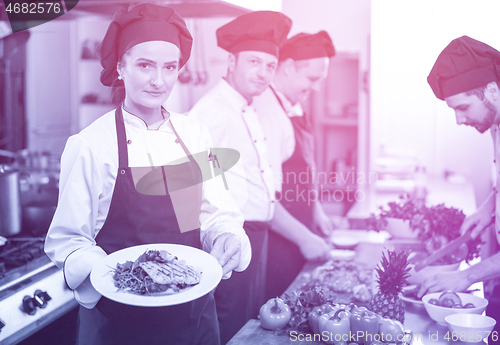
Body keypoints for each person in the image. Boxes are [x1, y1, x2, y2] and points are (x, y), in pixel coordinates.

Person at [44, 4, 250, 345]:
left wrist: (225, 235)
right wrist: (114, 273)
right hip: (118, 322)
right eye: (144, 65)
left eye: (169, 67)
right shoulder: (91, 145)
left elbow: (215, 213)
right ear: (120, 67)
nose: (159, 81)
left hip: (193, 315)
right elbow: (68, 241)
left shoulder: (193, 133)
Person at [189, 11, 330, 344]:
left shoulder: (246, 107)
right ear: (231, 61)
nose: (263, 73)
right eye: (255, 62)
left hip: (258, 236)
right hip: (233, 238)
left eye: (270, 65)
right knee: (231, 326)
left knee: (251, 327)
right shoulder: (212, 112)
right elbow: (190, 187)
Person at [420, 35, 500, 336]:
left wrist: (466, 277)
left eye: (463, 107)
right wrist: (488, 209)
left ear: (491, 90)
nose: (458, 119)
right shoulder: (495, 122)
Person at [252, 31, 336, 298]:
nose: (317, 88)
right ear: (288, 67)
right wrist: (305, 238)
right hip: (279, 244)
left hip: (300, 233)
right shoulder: (266, 111)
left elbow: (300, 171)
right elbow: (261, 195)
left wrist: (317, 210)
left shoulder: (294, 105)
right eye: (313, 79)